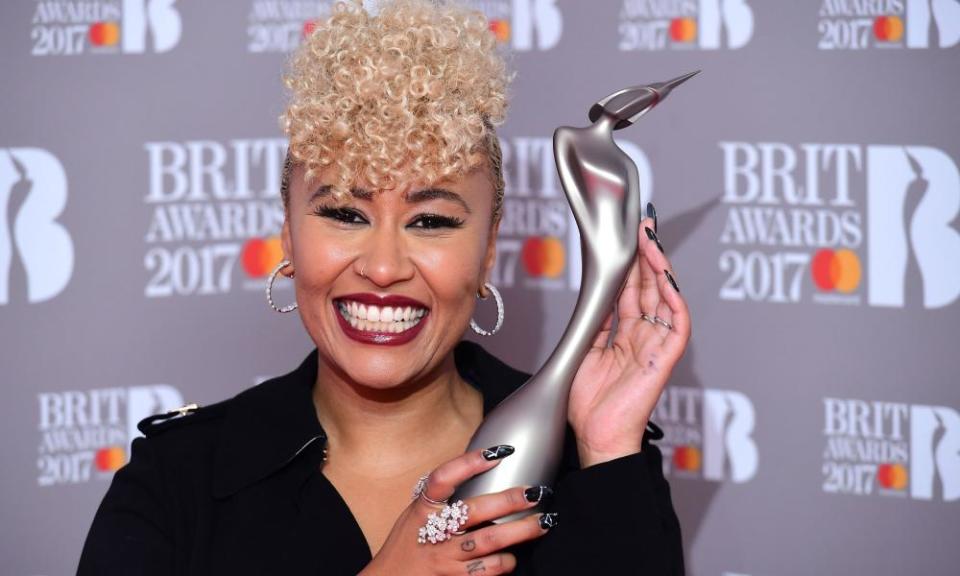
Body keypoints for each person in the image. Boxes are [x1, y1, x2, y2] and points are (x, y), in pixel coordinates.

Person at [77, 0, 690, 574]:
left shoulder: (592, 460)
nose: (383, 265)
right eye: (345, 214)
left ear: (488, 250)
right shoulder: (179, 477)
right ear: (288, 237)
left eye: (432, 221)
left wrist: (607, 451)